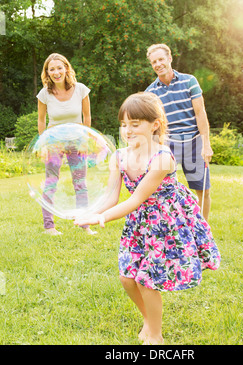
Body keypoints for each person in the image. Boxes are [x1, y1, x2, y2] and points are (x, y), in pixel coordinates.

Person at [74, 92, 220, 345]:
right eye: (123, 124)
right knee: (127, 278)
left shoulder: (162, 158)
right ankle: (150, 320)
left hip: (166, 224)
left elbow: (135, 199)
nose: (127, 130)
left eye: (135, 124)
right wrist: (93, 212)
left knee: (147, 281)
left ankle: (155, 334)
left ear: (154, 124)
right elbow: (111, 196)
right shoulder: (119, 156)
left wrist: (101, 219)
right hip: (139, 224)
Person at [145, 44, 213, 221]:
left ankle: (203, 228)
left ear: (169, 58)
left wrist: (206, 145)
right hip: (168, 144)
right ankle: (166, 225)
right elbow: (153, 124)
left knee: (202, 189)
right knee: (160, 188)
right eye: (154, 62)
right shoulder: (150, 92)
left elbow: (200, 114)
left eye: (161, 59)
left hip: (194, 141)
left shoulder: (189, 81)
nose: (158, 64)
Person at [37, 53, 95, 236]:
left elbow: (87, 117)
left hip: (77, 142)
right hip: (54, 142)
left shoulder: (81, 90)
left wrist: (85, 140)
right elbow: (41, 121)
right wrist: (43, 144)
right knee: (51, 183)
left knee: (80, 183)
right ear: (47, 72)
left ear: (66, 68)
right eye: (51, 69)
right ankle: (49, 226)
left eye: (59, 68)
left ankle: (85, 225)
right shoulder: (44, 94)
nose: (56, 72)